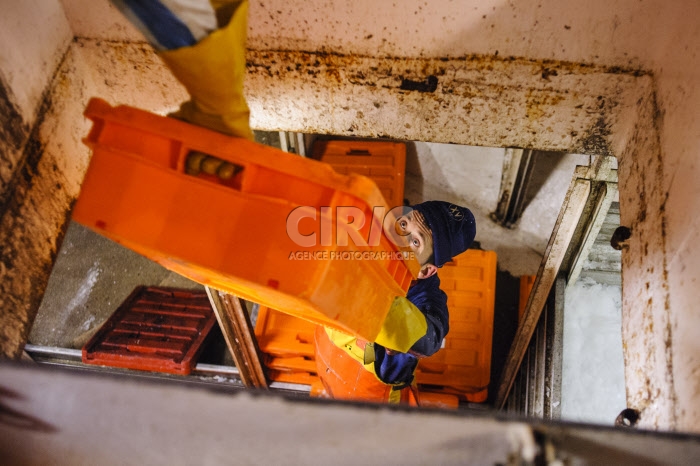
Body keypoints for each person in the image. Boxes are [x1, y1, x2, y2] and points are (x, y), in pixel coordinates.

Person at [314, 201, 476, 405]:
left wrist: (367, 297)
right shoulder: (362, 244)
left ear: (426, 270)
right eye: (403, 225)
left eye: (416, 242)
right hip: (328, 368)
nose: (398, 240)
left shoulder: (426, 301)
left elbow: (430, 339)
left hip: (373, 404)